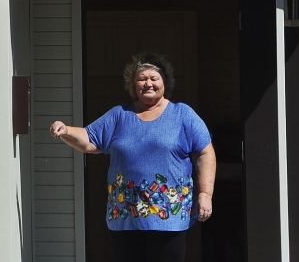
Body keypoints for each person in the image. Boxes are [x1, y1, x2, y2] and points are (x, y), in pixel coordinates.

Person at [50, 53, 215, 262]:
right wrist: (65, 131)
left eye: (154, 78)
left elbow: (205, 152)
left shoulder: (183, 114)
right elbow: (90, 140)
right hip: (126, 216)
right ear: (133, 84)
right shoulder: (120, 114)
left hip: (168, 217)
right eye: (142, 78)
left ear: (165, 81)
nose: (148, 83)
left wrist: (205, 194)